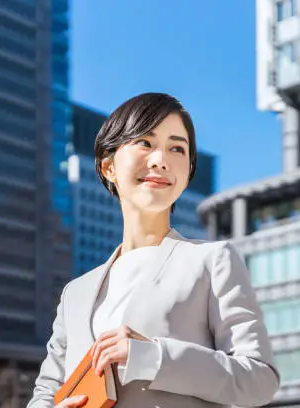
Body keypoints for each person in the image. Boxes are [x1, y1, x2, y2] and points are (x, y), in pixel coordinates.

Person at [27, 93, 280, 408]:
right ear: (109, 167)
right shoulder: (75, 294)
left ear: (186, 174)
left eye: (177, 148)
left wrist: (154, 357)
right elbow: (45, 394)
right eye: (145, 143)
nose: (161, 159)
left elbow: (259, 379)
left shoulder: (212, 262)